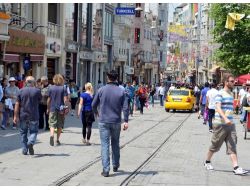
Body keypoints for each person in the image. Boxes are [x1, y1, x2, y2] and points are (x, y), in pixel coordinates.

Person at [204, 74, 248, 175]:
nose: (234, 83)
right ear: (226, 82)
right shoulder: (220, 93)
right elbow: (218, 108)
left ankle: (236, 167)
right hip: (220, 124)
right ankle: (207, 161)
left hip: (230, 124)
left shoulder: (231, 94)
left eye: (234, 81)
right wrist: (225, 118)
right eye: (232, 81)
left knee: (232, 145)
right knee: (215, 145)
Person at [92, 70, 129, 177]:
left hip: (103, 121)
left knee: (104, 144)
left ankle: (106, 169)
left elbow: (94, 104)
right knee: (115, 143)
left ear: (108, 78)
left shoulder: (101, 90)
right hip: (116, 121)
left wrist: (96, 113)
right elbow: (126, 107)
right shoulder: (121, 91)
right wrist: (126, 121)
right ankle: (116, 164)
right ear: (116, 78)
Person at [13, 76, 42, 155]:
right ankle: (31, 142)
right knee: (34, 131)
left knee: (23, 132)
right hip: (34, 115)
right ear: (34, 82)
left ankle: (25, 149)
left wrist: (15, 116)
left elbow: (17, 104)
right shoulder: (37, 91)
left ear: (25, 82)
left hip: (23, 115)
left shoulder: (20, 91)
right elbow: (40, 100)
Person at [47, 74, 69, 146]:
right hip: (61, 109)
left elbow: (49, 100)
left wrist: (48, 108)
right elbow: (65, 100)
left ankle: (52, 135)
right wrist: (66, 108)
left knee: (52, 123)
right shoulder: (63, 88)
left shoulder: (51, 88)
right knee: (60, 125)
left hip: (52, 108)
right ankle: (57, 140)